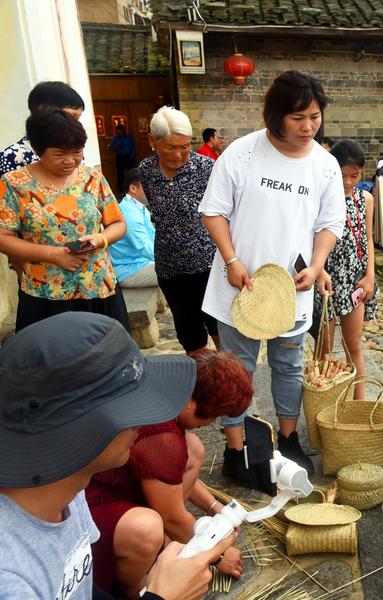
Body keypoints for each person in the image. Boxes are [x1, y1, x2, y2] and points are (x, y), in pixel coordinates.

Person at [0, 312, 235, 600]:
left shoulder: (69, 494)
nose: (144, 422)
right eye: (133, 408)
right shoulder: (10, 576)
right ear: (81, 430)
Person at [200, 70, 344, 482]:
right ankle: (236, 447)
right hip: (241, 283)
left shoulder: (325, 164)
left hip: (292, 286)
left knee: (288, 363)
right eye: (299, 118)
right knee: (236, 367)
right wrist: (231, 260)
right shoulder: (243, 153)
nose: (308, 127)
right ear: (276, 115)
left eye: (314, 117)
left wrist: (316, 266)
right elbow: (214, 211)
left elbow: (329, 223)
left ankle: (288, 436)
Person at [86, 349, 251, 596]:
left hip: (119, 486)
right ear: (190, 402)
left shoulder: (169, 394)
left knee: (193, 448)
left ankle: (159, 546)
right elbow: (171, 516)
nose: (211, 422)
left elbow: (168, 474)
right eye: (212, 416)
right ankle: (133, 589)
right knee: (148, 529)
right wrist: (218, 552)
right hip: (93, 508)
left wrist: (215, 507)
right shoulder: (162, 436)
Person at [0, 109, 128, 332]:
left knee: (106, 357)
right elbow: (3, 237)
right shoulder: (15, 183)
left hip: (96, 284)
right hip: (45, 291)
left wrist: (99, 239)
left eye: (77, 152)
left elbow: (117, 224)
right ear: (38, 150)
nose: (70, 160)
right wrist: (53, 255)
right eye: (59, 154)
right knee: (50, 360)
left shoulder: (92, 178)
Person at [138, 106, 219, 354]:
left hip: (207, 264)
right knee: (189, 333)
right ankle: (204, 385)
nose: (179, 154)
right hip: (170, 266)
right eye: (171, 147)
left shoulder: (206, 168)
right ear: (153, 141)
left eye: (184, 146)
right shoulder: (146, 170)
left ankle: (231, 385)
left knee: (218, 327)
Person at [313, 140, 379, 401]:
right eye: (343, 176)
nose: (349, 182)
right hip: (326, 280)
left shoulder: (366, 199)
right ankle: (324, 402)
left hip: (354, 280)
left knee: (354, 346)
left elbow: (369, 239)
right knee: (324, 348)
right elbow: (310, 239)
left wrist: (370, 274)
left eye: (355, 175)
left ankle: (359, 403)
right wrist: (318, 271)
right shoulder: (320, 198)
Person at [0, 81, 85, 176]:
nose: (74, 123)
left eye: (77, 119)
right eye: (70, 116)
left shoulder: (74, 148)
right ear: (42, 110)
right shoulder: (12, 156)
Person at [109, 169, 157, 288]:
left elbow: (153, 237)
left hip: (142, 263)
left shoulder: (139, 207)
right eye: (147, 186)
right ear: (133, 189)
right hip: (128, 270)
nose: (153, 190)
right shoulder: (130, 213)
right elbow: (144, 248)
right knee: (179, 271)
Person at [109, 124, 136, 193]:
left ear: (123, 131)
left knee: (130, 173)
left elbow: (132, 147)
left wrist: (132, 157)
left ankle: (132, 188)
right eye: (117, 132)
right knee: (120, 174)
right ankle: (121, 190)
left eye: (120, 131)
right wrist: (117, 146)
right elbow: (113, 147)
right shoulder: (115, 138)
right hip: (120, 157)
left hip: (128, 157)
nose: (119, 133)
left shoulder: (128, 138)